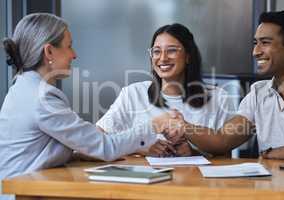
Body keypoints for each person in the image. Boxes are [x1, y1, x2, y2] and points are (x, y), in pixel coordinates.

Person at [170, 10, 284, 198]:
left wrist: (271, 154)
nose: (255, 52)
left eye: (265, 43)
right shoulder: (259, 91)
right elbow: (222, 140)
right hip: (272, 194)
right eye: (255, 43)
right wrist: (184, 127)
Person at [0, 13, 172, 190]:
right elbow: (106, 147)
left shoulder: (22, 88)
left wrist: (79, 153)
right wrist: (154, 125)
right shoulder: (42, 98)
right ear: (49, 51)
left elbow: (37, 150)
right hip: (22, 193)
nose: (74, 55)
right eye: (69, 46)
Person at [96, 23, 236, 157]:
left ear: (188, 56)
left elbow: (226, 155)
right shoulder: (133, 94)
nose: (162, 58)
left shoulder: (219, 97)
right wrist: (140, 147)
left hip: (195, 180)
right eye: (156, 51)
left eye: (172, 50)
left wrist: (194, 152)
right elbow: (98, 139)